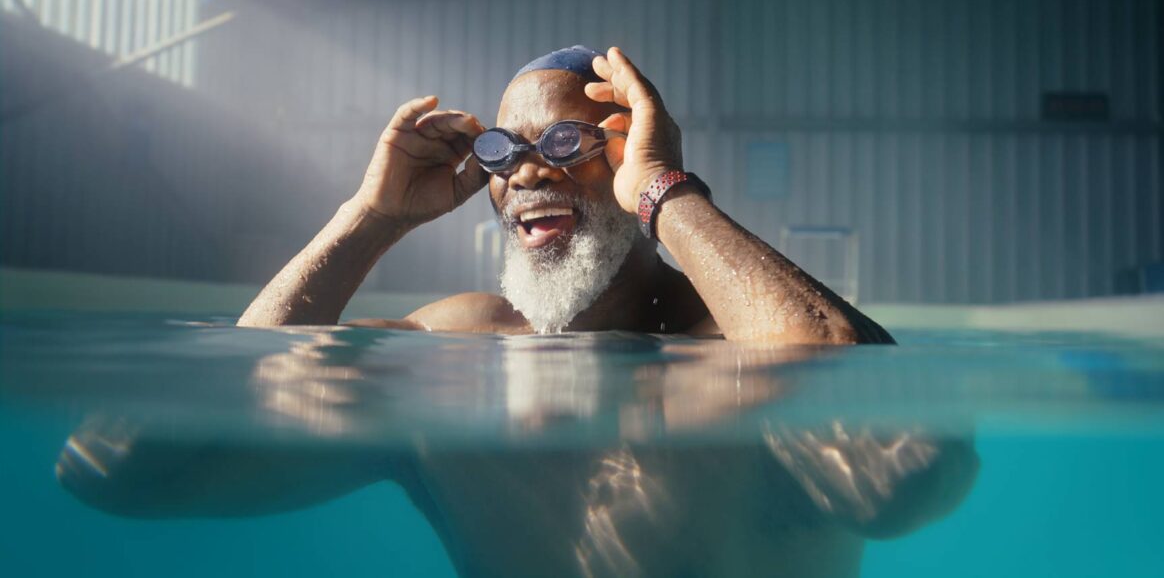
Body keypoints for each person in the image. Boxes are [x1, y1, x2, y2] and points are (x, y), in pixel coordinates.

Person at [58, 46, 978, 577]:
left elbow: (912, 469)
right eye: (504, 153)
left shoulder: (736, 345)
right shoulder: (455, 350)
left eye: (567, 143)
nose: (527, 173)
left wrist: (666, 191)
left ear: (626, 155)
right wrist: (367, 222)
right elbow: (116, 468)